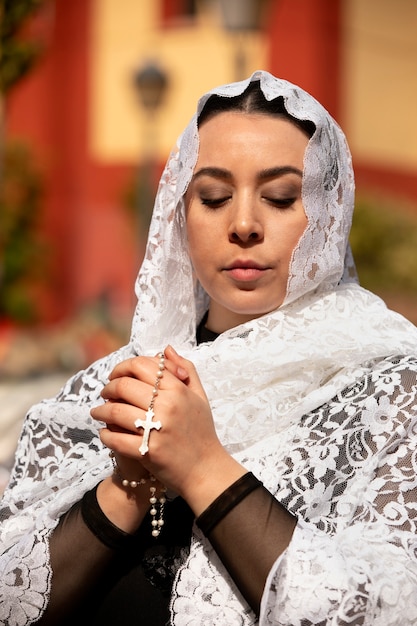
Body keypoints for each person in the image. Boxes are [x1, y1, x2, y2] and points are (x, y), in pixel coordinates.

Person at [1, 70, 417, 626]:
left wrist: (201, 465)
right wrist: (131, 482)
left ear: (331, 213)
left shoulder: (393, 391)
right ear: (179, 212)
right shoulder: (109, 389)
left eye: (281, 196)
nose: (244, 224)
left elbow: (384, 613)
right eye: (214, 197)